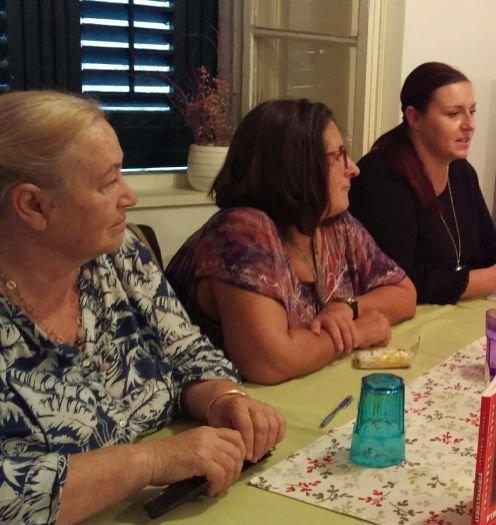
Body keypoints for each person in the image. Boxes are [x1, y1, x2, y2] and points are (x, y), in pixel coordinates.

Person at [0, 90, 286, 524]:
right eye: (108, 182)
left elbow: (188, 352)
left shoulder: (118, 255)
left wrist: (223, 399)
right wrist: (150, 462)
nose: (129, 197)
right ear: (33, 205)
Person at [166, 99, 416, 386]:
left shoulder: (333, 224)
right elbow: (271, 362)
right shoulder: (243, 230)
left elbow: (404, 294)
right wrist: (358, 333)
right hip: (214, 405)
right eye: (338, 156)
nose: (353, 169)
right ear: (296, 166)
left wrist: (348, 308)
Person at [349, 62, 496, 305]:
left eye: (472, 111)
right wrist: (492, 279)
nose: (470, 125)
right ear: (414, 117)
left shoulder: (460, 171)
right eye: (453, 114)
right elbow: (399, 281)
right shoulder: (382, 178)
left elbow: (486, 244)